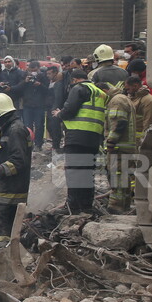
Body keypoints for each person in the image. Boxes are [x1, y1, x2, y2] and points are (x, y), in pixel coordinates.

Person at [0, 93, 32, 248]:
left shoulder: (15, 130)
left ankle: (2, 256)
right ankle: (9, 253)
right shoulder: (9, 128)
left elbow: (19, 161)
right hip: (8, 187)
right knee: (7, 226)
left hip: (10, 189)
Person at [54, 69, 107, 213]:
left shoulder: (78, 88)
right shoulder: (99, 92)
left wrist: (59, 114)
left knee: (74, 172)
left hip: (77, 137)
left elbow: (70, 110)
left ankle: (72, 207)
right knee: (87, 173)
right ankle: (86, 206)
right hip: (94, 138)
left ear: (74, 80)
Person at [104, 83, 137, 213]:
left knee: (117, 176)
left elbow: (119, 122)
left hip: (119, 147)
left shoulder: (116, 100)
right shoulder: (123, 98)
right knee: (123, 177)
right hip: (125, 147)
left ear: (105, 91)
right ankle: (124, 206)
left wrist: (111, 142)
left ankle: (116, 207)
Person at [21, 60, 50, 149]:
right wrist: (25, 81)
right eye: (31, 70)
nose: (33, 72)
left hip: (39, 105)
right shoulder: (24, 75)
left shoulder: (43, 76)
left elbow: (47, 90)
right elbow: (19, 88)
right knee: (27, 126)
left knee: (39, 126)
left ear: (38, 69)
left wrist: (40, 84)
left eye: (35, 70)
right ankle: (28, 144)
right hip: (27, 105)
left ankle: (38, 144)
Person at [127, 76, 152, 145]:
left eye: (128, 89)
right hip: (130, 139)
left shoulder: (149, 101)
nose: (127, 91)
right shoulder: (131, 98)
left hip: (140, 141)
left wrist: (144, 141)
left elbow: (149, 121)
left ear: (135, 86)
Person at [45, 65, 63, 151]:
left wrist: (54, 108)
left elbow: (58, 97)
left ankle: (56, 146)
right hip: (49, 107)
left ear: (55, 73)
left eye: (49, 73)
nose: (48, 75)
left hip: (54, 108)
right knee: (49, 126)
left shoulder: (58, 84)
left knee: (55, 127)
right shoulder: (50, 83)